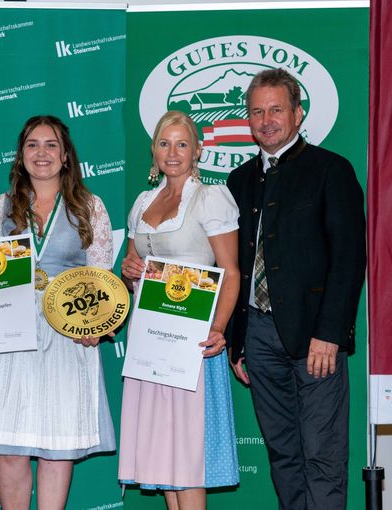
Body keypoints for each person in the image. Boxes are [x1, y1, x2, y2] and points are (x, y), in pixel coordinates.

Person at [0, 115, 116, 509]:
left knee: (56, 446)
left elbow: (101, 277)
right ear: (20, 156)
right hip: (10, 333)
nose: (42, 153)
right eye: (33, 145)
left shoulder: (90, 206)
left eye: (51, 145)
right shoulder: (0, 207)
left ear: (66, 155)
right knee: (11, 446)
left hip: (66, 331)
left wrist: (95, 325)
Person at [225, 68, 366, 510]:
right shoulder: (238, 181)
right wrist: (236, 341)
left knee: (322, 454)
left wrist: (331, 333)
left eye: (276, 110)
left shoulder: (331, 170)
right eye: (257, 111)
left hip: (314, 338)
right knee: (283, 454)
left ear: (298, 114)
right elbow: (232, 265)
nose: (266, 120)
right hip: (258, 338)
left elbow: (348, 259)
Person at [117, 110, 240, 509]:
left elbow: (231, 271)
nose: (173, 152)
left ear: (197, 152)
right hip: (150, 343)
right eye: (165, 144)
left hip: (193, 341)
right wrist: (130, 269)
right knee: (165, 458)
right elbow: (133, 265)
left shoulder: (211, 198)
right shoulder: (142, 202)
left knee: (187, 458)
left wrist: (219, 327)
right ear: (153, 151)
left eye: (182, 144)